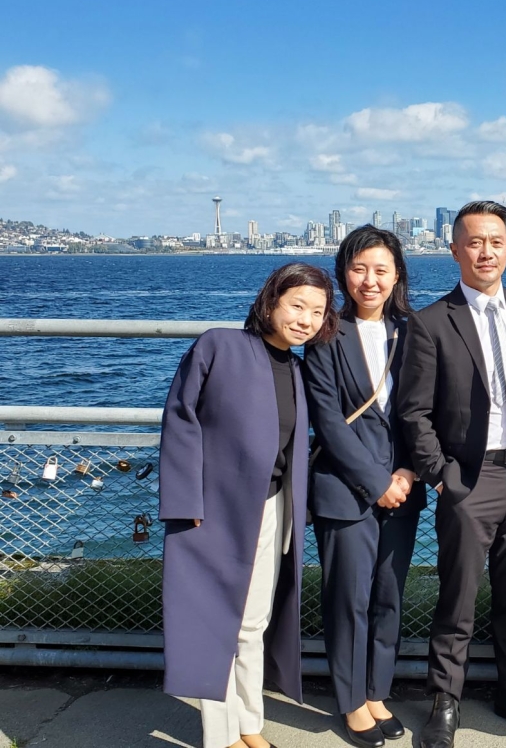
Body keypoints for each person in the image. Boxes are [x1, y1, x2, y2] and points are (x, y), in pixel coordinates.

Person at [396, 200, 506, 748]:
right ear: (454, 250)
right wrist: (441, 476)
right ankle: (444, 701)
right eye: (474, 242)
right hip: (468, 480)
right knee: (458, 597)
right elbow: (414, 411)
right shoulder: (430, 322)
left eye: (496, 241)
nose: (486, 251)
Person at [159, 263, 337, 748]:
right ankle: (221, 737)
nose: (305, 319)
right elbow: (180, 420)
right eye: (296, 305)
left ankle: (249, 725)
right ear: (270, 301)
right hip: (213, 510)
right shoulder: (218, 345)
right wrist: (183, 501)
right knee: (217, 622)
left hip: (274, 510)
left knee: (253, 623)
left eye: (317, 312)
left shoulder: (300, 371)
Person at [304, 226, 426, 748]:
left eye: (381, 269)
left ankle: (378, 690)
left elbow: (427, 409)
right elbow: (328, 421)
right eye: (359, 269)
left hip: (404, 485)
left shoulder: (413, 331)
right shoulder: (325, 335)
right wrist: (377, 481)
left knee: (388, 596)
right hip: (345, 488)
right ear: (343, 273)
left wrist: (411, 471)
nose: (369, 280)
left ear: (397, 274)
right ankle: (351, 700)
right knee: (347, 599)